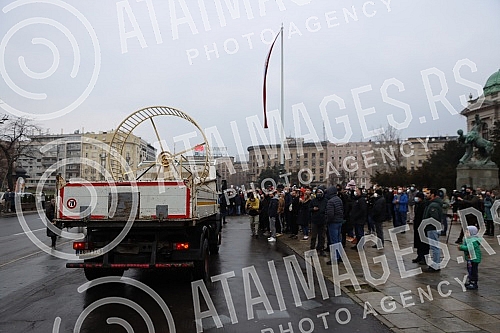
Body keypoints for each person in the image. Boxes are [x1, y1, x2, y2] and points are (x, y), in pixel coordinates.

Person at [423, 188, 443, 272]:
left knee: (434, 247)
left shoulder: (433, 205)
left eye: (428, 193)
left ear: (433, 195)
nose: (426, 195)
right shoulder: (432, 203)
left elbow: (434, 218)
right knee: (434, 247)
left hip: (432, 228)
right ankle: (435, 264)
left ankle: (435, 265)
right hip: (432, 228)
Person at [458, 226, 482, 290]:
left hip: (474, 259)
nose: (466, 233)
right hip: (470, 258)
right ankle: (470, 281)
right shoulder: (469, 239)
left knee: (473, 271)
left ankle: (473, 283)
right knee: (470, 270)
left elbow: (469, 248)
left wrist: (461, 247)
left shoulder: (473, 240)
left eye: (467, 231)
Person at [325, 186, 344, 264]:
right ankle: (340, 256)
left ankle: (334, 258)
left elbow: (330, 214)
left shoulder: (330, 201)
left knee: (334, 241)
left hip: (333, 223)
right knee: (339, 240)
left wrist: (327, 221)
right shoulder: (339, 199)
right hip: (339, 221)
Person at [411, 192, 428, 264]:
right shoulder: (417, 204)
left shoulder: (424, 205)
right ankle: (419, 256)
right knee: (418, 242)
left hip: (422, 226)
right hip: (417, 225)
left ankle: (424, 258)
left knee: (423, 243)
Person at [309, 187, 327, 256]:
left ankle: (321, 249)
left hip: (322, 220)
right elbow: (309, 209)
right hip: (314, 220)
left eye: (320, 192)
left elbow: (327, 209)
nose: (319, 194)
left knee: (322, 236)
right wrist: (313, 209)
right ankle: (312, 248)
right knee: (313, 236)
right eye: (317, 192)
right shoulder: (313, 201)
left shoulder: (325, 201)